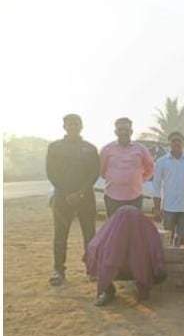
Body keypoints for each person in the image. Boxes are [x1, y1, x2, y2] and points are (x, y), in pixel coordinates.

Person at [46, 114, 100, 286]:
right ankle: (58, 271)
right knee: (60, 236)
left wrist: (81, 193)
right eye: (70, 124)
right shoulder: (54, 147)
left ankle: (92, 269)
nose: (73, 126)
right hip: (62, 198)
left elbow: (94, 172)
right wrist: (66, 193)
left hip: (86, 197)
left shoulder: (90, 148)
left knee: (90, 235)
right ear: (64, 126)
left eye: (76, 123)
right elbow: (51, 172)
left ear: (81, 126)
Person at [85, 206, 166, 306]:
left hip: (117, 272)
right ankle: (142, 289)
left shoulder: (109, 234)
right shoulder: (147, 229)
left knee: (101, 257)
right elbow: (157, 252)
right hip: (136, 272)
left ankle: (108, 290)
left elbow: (91, 251)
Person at [153, 131, 184, 245]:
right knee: (167, 241)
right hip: (168, 208)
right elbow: (156, 187)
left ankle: (182, 262)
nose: (176, 143)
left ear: (183, 143)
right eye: (173, 141)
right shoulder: (161, 162)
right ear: (169, 143)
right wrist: (156, 208)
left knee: (183, 241)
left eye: (179, 141)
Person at [100, 118, 154, 217]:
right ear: (116, 132)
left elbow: (150, 168)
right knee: (114, 229)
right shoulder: (107, 149)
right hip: (112, 196)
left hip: (134, 197)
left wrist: (139, 180)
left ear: (131, 131)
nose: (123, 132)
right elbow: (102, 171)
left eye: (126, 130)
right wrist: (115, 178)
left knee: (132, 228)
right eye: (120, 129)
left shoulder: (141, 149)